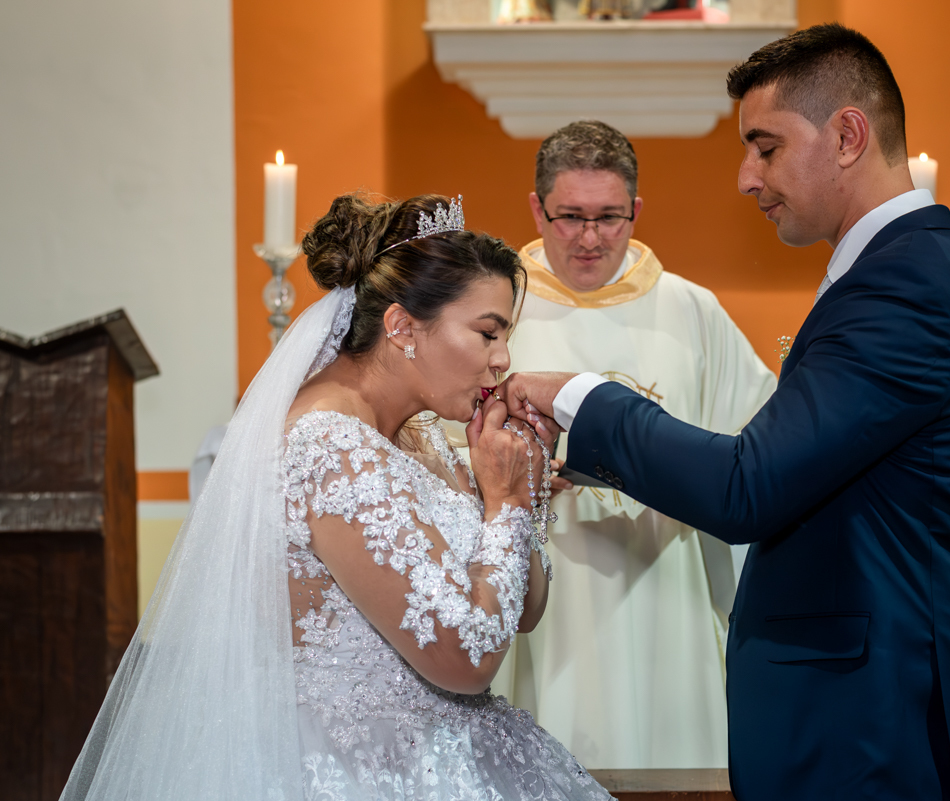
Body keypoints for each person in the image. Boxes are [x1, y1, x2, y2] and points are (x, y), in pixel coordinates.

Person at [499, 24, 950, 801]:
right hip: (867, 721)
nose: (747, 178)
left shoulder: (903, 290)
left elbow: (745, 484)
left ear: (847, 136)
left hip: (881, 732)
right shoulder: (899, 276)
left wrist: (577, 394)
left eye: (766, 147)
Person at [60, 193, 613, 801]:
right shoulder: (331, 447)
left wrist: (519, 492)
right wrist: (504, 506)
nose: (502, 360)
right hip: (363, 771)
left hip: (450, 755)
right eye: (487, 333)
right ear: (401, 327)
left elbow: (521, 612)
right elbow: (466, 657)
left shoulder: (420, 434)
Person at [494, 120, 775, 770]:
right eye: (570, 216)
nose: (590, 237)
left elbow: (758, 452)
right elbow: (443, 440)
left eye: (609, 217)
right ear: (537, 209)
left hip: (666, 584)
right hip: (548, 592)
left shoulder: (693, 313)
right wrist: (510, 472)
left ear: (637, 212)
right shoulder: (500, 310)